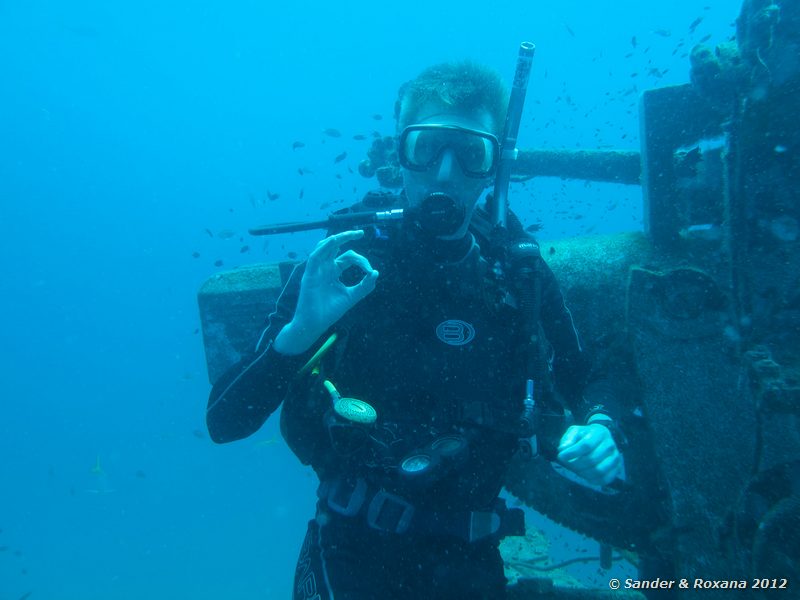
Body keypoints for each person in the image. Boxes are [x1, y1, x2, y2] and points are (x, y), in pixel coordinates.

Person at [206, 60, 626, 599]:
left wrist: (600, 425)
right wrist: (298, 334)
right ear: (398, 155)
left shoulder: (514, 269)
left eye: (470, 153)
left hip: (472, 561)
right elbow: (224, 421)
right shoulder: (344, 260)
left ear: (495, 167)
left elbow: (587, 371)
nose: (445, 173)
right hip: (350, 554)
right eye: (426, 148)